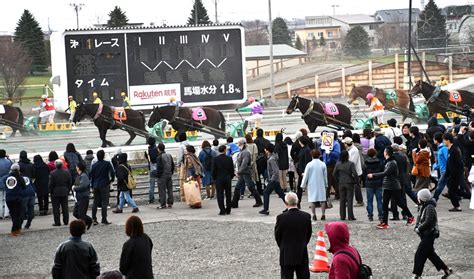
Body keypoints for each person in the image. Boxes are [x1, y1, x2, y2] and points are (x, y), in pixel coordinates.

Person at [368, 147, 415, 229]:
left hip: (393, 186)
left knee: (399, 202)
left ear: (387, 152)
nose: (383, 152)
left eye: (384, 151)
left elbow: (385, 173)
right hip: (388, 186)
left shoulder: (392, 163)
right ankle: (384, 222)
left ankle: (410, 217)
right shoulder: (389, 162)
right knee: (385, 204)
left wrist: (373, 175)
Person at [413, 189, 453, 279]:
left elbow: (428, 221)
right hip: (425, 235)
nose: (417, 198)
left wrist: (419, 228)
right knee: (430, 254)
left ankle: (417, 275)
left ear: (422, 198)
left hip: (429, 235)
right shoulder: (424, 205)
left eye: (418, 197)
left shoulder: (429, 207)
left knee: (419, 254)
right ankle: (447, 270)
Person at [274, 192, 312, 279]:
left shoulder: (281, 218)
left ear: (286, 203)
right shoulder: (306, 216)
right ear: (297, 201)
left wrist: (283, 245)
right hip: (301, 251)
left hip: (286, 252)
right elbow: (308, 234)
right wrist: (303, 243)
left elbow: (277, 236)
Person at [231, 139, 263, 208]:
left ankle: (259, 201)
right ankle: (234, 203)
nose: (238, 144)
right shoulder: (243, 151)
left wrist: (239, 171)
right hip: (243, 172)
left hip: (245, 172)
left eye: (239, 143)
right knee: (238, 187)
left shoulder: (245, 152)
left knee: (250, 187)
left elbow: (244, 163)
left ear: (242, 144)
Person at [301, 149, 328, 221]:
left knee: (312, 199)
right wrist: (326, 184)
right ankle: (323, 214)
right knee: (322, 199)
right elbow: (325, 175)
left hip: (312, 183)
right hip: (321, 183)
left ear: (312, 155)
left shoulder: (309, 164)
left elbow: (306, 175)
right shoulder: (323, 164)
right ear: (319, 155)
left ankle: (314, 214)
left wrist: (303, 185)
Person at [259, 144, 286, 215]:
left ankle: (266, 209)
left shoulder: (271, 159)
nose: (265, 150)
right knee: (281, 194)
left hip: (273, 180)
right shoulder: (273, 157)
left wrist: (271, 179)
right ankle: (291, 206)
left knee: (266, 192)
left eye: (265, 149)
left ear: (267, 150)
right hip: (275, 180)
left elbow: (275, 171)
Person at [90, 150, 115, 225]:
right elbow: (112, 172)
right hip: (104, 184)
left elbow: (92, 175)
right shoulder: (107, 164)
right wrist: (111, 180)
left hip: (96, 185)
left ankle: (94, 218)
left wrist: (92, 184)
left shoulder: (94, 165)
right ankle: (104, 218)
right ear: (104, 156)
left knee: (95, 202)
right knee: (104, 202)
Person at [333, 150, 359, 221]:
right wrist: (357, 181)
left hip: (341, 183)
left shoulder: (338, 164)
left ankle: (342, 216)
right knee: (350, 200)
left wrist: (338, 180)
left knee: (342, 200)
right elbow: (355, 174)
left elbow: (334, 174)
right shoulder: (351, 164)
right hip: (350, 183)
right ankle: (350, 216)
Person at [2, 164, 25, 236]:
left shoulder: (6, 177)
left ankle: (16, 230)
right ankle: (15, 230)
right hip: (18, 198)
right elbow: (24, 187)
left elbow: (4, 184)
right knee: (18, 214)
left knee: (13, 214)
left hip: (9, 198)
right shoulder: (20, 177)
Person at [443, 133, 464, 212]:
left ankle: (457, 206)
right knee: (455, 190)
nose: (444, 142)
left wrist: (455, 173)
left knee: (451, 191)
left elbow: (459, 163)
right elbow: (449, 163)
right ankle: (470, 196)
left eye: (444, 140)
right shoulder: (450, 149)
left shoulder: (454, 150)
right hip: (451, 174)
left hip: (455, 174)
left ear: (448, 140)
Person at [212, 145, 235, 215]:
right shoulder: (229, 158)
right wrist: (231, 176)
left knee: (220, 194)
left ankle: (222, 210)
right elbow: (232, 169)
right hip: (227, 178)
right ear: (225, 150)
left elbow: (214, 170)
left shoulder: (215, 159)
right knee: (228, 194)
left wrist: (214, 178)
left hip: (219, 178)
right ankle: (228, 209)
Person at [49, 159, 72, 227]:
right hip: (64, 191)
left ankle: (57, 222)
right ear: (62, 165)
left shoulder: (52, 173)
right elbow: (70, 182)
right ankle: (66, 221)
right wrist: (68, 189)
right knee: (65, 207)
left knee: (56, 208)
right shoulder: (67, 172)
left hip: (55, 192)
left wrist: (51, 191)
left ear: (55, 165)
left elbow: (51, 184)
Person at [343, 137, 364, 207]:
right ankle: (349, 201)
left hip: (355, 172)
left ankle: (359, 201)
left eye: (344, 143)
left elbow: (352, 162)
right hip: (352, 171)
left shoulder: (354, 150)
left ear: (347, 144)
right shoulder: (350, 149)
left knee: (356, 187)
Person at [364, 148, 383, 222]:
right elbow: (382, 171)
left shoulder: (366, 163)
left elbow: (364, 172)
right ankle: (381, 215)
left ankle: (370, 215)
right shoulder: (379, 162)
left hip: (369, 183)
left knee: (369, 200)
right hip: (378, 182)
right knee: (379, 200)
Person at [72, 161, 93, 230]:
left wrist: (75, 188)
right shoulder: (80, 175)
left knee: (81, 214)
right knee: (76, 213)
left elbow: (83, 186)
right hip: (78, 197)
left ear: (78, 168)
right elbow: (77, 184)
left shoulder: (83, 176)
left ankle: (83, 227)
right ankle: (88, 220)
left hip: (83, 196)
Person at [156, 143, 175, 209]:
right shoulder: (169, 155)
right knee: (170, 189)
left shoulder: (159, 157)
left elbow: (159, 168)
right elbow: (173, 165)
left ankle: (163, 204)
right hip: (169, 174)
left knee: (162, 190)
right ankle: (170, 203)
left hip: (162, 176)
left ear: (158, 149)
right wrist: (171, 172)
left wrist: (158, 175)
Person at [296, 136, 313, 208]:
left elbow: (307, 161)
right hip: (301, 171)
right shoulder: (303, 149)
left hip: (304, 171)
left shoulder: (306, 150)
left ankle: (299, 202)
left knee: (303, 187)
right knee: (300, 187)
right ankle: (298, 202)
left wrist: (304, 171)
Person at [254, 128, 271, 195]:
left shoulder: (255, 141)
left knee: (257, 177)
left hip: (257, 161)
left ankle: (259, 190)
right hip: (265, 160)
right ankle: (266, 189)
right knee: (266, 176)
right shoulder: (266, 141)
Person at [433, 133, 449, 201]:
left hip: (445, 170)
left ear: (436, 140)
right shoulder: (440, 147)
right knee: (448, 185)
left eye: (434, 139)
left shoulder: (443, 148)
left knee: (440, 184)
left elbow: (446, 159)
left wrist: (436, 166)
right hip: (443, 169)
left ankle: (435, 198)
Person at [176, 132, 189, 202]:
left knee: (182, 181)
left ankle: (183, 197)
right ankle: (190, 195)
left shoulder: (181, 146)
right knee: (189, 181)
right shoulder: (189, 144)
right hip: (190, 166)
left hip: (183, 165)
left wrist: (177, 165)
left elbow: (180, 157)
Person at [145, 137, 158, 204]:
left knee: (151, 185)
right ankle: (161, 197)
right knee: (160, 184)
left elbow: (147, 158)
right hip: (158, 168)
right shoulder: (157, 149)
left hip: (152, 169)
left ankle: (151, 199)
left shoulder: (147, 151)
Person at [0, 149, 12, 219]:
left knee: (0, 199)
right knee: (6, 198)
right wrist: (8, 158)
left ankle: (0, 214)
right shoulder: (8, 161)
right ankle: (6, 213)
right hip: (7, 182)